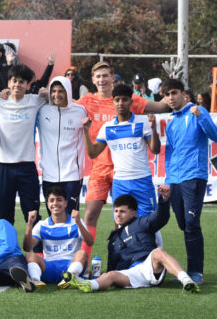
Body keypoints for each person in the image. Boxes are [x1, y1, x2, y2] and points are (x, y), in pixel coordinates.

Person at [77, 61, 168, 260]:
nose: (101, 80)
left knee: (136, 219)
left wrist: (171, 88)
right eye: (98, 76)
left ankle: (145, 258)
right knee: (91, 215)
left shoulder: (130, 98)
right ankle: (83, 262)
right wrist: (42, 98)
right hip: (101, 169)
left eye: (105, 76)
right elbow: (63, 107)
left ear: (112, 77)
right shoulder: (85, 102)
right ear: (93, 80)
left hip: (130, 173)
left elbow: (162, 106)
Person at [63, 188, 200, 293]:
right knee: (110, 275)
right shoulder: (113, 239)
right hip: (130, 274)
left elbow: (161, 218)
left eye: (122, 211)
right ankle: (87, 285)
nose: (118, 215)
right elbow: (112, 267)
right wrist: (97, 275)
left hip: (149, 266)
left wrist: (164, 199)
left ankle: (186, 280)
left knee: (158, 252)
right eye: (116, 211)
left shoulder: (142, 223)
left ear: (133, 213)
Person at [162, 78, 217, 285]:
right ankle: (189, 272)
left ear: (182, 93)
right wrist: (168, 180)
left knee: (191, 225)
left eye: (174, 93)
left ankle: (195, 273)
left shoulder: (197, 112)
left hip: (194, 177)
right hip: (175, 181)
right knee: (183, 224)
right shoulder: (171, 123)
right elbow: (169, 154)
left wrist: (201, 117)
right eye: (167, 94)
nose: (171, 97)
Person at [83, 83, 161, 219]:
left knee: (149, 222)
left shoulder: (142, 122)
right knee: (121, 222)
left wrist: (154, 129)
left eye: (124, 99)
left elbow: (155, 150)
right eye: (117, 100)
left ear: (131, 101)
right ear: (112, 102)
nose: (121, 103)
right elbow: (93, 153)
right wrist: (85, 131)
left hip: (142, 180)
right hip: (120, 183)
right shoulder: (107, 127)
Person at [0, 64, 46, 226]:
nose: (17, 85)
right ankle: (8, 251)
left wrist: (46, 94)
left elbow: (59, 99)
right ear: (8, 83)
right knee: (5, 217)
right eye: (14, 81)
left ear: (28, 85)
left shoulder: (36, 101)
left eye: (22, 82)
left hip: (26, 167)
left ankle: (37, 251)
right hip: (2, 167)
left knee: (32, 215)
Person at [23, 187, 93, 288]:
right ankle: (35, 281)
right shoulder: (42, 224)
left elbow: (90, 242)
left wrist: (79, 223)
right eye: (51, 200)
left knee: (83, 253)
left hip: (71, 264)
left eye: (59, 200)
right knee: (30, 256)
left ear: (66, 203)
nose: (55, 203)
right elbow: (27, 247)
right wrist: (29, 224)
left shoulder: (77, 221)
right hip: (49, 267)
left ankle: (69, 277)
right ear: (47, 204)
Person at [37, 76, 87, 214]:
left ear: (68, 92)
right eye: (53, 91)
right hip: (49, 175)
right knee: (53, 214)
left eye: (61, 91)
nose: (56, 95)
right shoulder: (42, 110)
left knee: (71, 215)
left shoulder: (80, 111)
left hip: (72, 174)